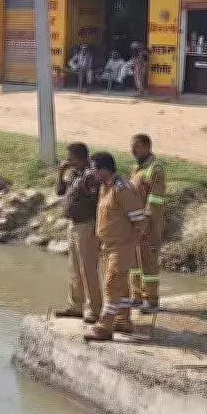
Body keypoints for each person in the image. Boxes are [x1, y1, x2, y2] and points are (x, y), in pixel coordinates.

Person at [85, 152, 148, 341]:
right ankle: (123, 320)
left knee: (111, 283)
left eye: (94, 169)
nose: (91, 172)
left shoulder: (122, 189)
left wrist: (130, 242)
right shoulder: (105, 187)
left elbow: (138, 219)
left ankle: (104, 326)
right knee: (120, 283)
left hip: (122, 245)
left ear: (105, 170)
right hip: (108, 245)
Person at [53, 142, 102, 323]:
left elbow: (97, 199)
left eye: (69, 157)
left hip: (87, 225)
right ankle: (75, 305)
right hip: (73, 225)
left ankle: (93, 308)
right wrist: (60, 173)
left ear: (78, 157)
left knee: (87, 268)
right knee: (74, 268)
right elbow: (59, 191)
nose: (67, 160)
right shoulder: (75, 173)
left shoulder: (90, 176)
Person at [128, 134, 166, 314]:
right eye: (132, 147)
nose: (133, 150)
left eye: (137, 147)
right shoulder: (136, 168)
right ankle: (137, 296)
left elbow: (154, 199)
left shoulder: (155, 168)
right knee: (134, 262)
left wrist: (146, 221)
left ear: (147, 147)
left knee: (148, 261)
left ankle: (151, 300)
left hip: (149, 224)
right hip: (134, 222)